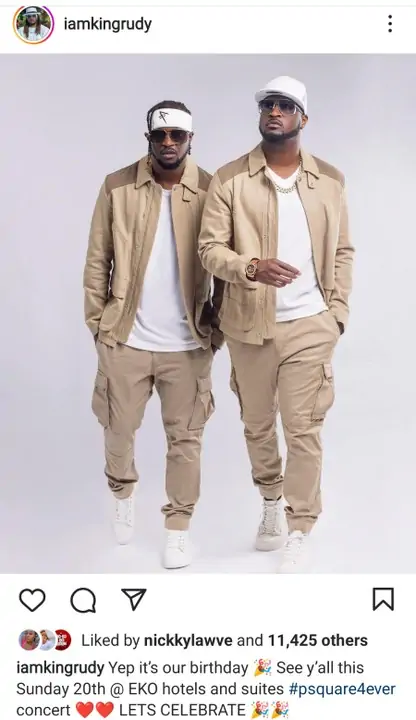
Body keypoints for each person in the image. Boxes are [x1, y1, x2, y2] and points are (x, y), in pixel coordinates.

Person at [198, 76, 354, 572]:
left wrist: (337, 315)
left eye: (286, 106)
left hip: (310, 325)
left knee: (303, 429)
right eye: (268, 104)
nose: (275, 112)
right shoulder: (230, 179)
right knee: (258, 424)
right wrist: (251, 267)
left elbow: (343, 251)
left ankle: (300, 524)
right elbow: (208, 249)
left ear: (302, 118)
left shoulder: (329, 180)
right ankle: (270, 500)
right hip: (248, 325)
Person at [84, 100, 223, 569]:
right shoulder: (117, 185)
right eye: (159, 135)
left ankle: (178, 528)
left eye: (177, 135)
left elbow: (226, 267)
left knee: (186, 441)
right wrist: (99, 325)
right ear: (148, 138)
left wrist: (215, 331)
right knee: (117, 428)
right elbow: (98, 259)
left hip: (188, 346)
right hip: (126, 340)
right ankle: (122, 493)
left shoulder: (212, 190)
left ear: (190, 139)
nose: (168, 143)